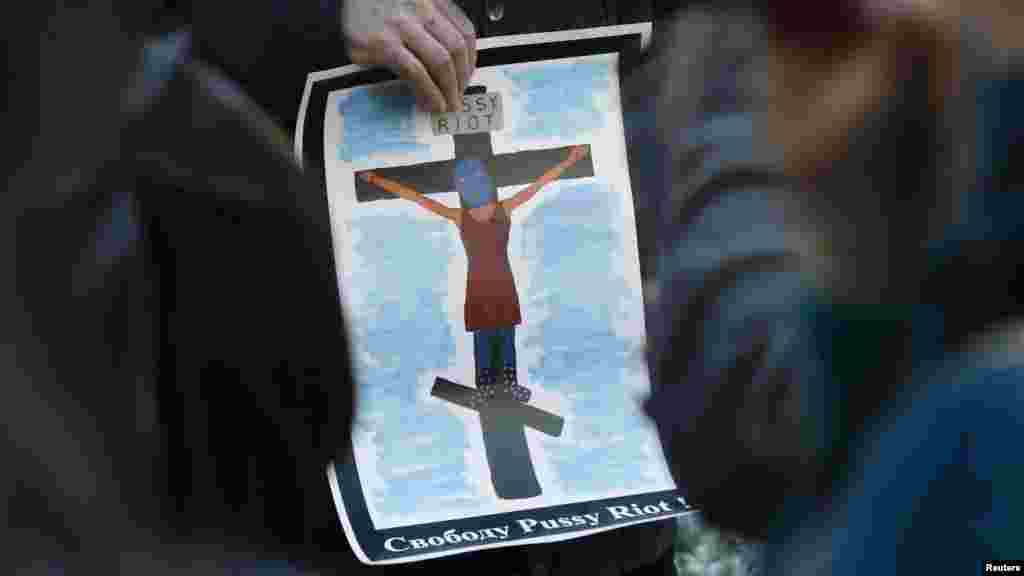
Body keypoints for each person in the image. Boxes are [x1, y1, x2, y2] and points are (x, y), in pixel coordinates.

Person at [361, 147, 589, 409]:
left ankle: (500, 386)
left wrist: (571, 160)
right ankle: (489, 387)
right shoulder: (487, 211)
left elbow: (539, 183)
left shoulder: (487, 211)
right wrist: (376, 180)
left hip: (496, 286)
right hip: (486, 287)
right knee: (489, 336)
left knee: (500, 335)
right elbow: (416, 198)